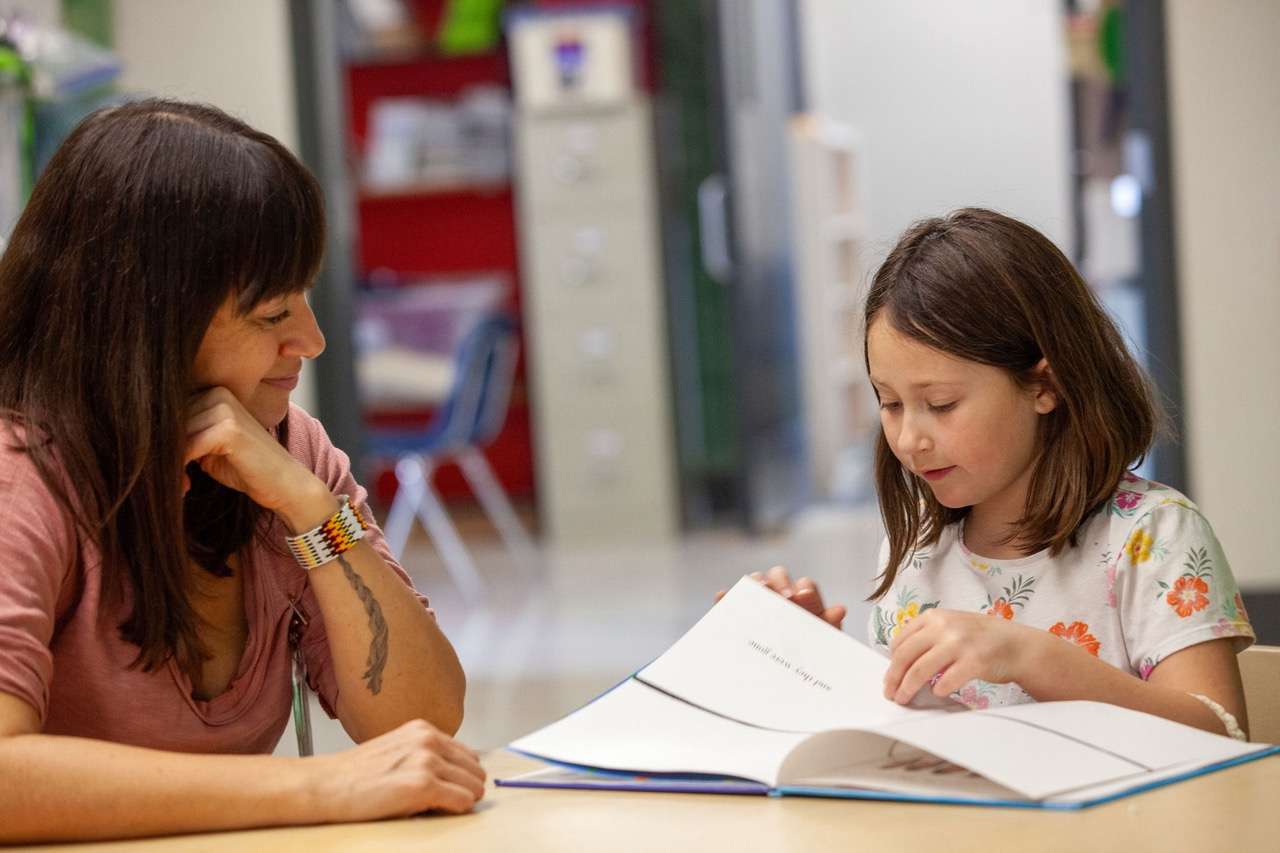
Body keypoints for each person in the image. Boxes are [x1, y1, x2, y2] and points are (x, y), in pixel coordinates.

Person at [0, 99, 485, 843]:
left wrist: (317, 514)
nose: (313, 340)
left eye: (307, 297)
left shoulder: (284, 452)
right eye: (271, 314)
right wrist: (314, 784)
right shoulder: (21, 475)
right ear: (146, 321)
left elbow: (416, 719)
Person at [732, 208, 1253, 739]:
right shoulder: (918, 542)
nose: (911, 438)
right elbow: (899, 731)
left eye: (941, 403)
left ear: (1044, 386)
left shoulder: (1152, 537)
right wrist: (811, 656)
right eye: (889, 403)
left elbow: (1219, 738)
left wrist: (1034, 657)